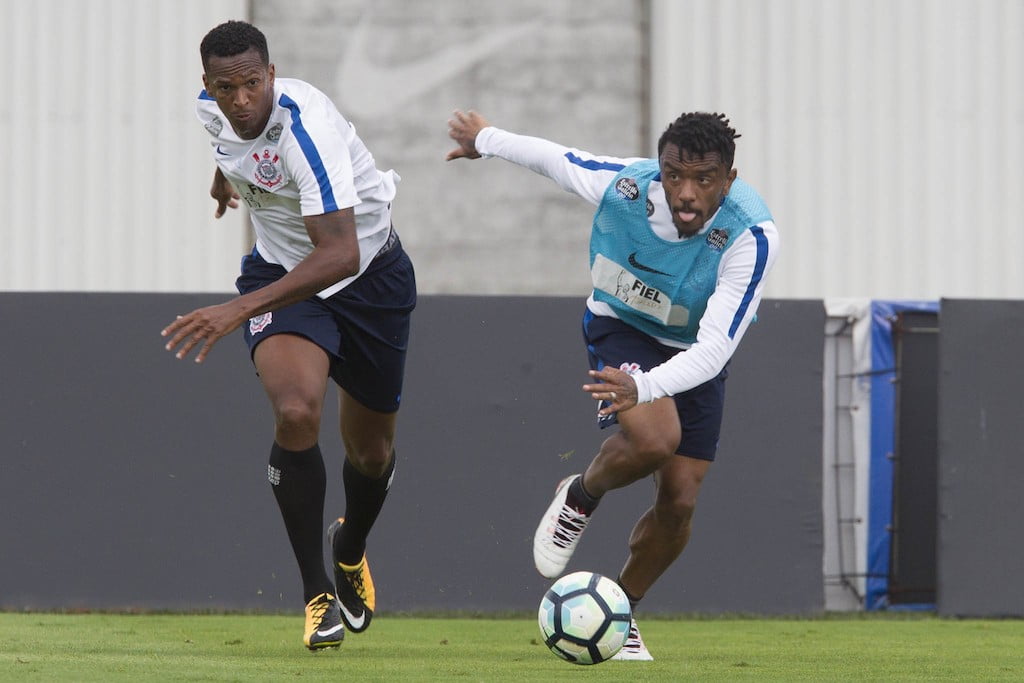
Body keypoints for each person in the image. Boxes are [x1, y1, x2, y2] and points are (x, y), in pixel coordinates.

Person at [446, 110, 778, 660]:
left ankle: (618, 611)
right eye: (674, 175)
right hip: (622, 326)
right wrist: (484, 139)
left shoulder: (752, 236)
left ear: (729, 179)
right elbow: (556, 159)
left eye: (704, 179)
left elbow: (715, 349)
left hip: (693, 352)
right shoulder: (626, 184)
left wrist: (646, 388)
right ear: (659, 169)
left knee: (680, 501)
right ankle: (580, 496)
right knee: (653, 440)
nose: (685, 193)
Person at [162, 20, 416, 651]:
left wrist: (234, 310)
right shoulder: (211, 110)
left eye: (252, 84)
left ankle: (349, 546)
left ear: (271, 76)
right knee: (297, 412)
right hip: (280, 271)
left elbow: (338, 254)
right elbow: (236, 152)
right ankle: (315, 595)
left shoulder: (307, 131)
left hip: (365, 277)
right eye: (227, 87)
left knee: (372, 454)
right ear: (208, 86)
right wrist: (228, 181)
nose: (241, 100)